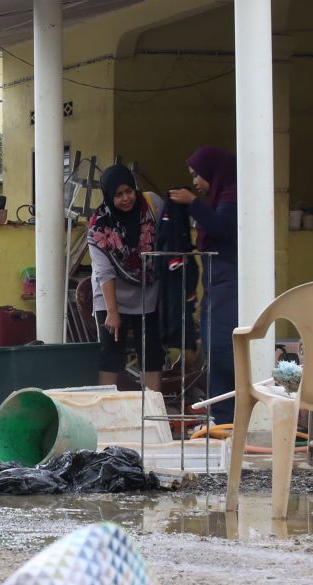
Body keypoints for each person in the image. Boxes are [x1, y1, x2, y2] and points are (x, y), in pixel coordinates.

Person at [169, 147, 237, 424]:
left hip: (229, 285)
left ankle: (229, 415)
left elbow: (223, 228)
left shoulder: (231, 196)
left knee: (223, 349)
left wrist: (193, 203)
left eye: (198, 175)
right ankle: (222, 415)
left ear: (213, 171)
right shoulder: (220, 197)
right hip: (216, 285)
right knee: (213, 347)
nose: (196, 182)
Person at [87, 164, 164, 391]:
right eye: (118, 195)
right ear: (110, 196)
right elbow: (104, 271)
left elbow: (168, 238)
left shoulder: (151, 205)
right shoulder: (99, 227)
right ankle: (106, 407)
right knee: (112, 352)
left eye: (129, 191)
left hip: (148, 292)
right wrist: (112, 312)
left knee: (151, 352)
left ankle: (153, 409)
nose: (126, 198)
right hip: (111, 295)